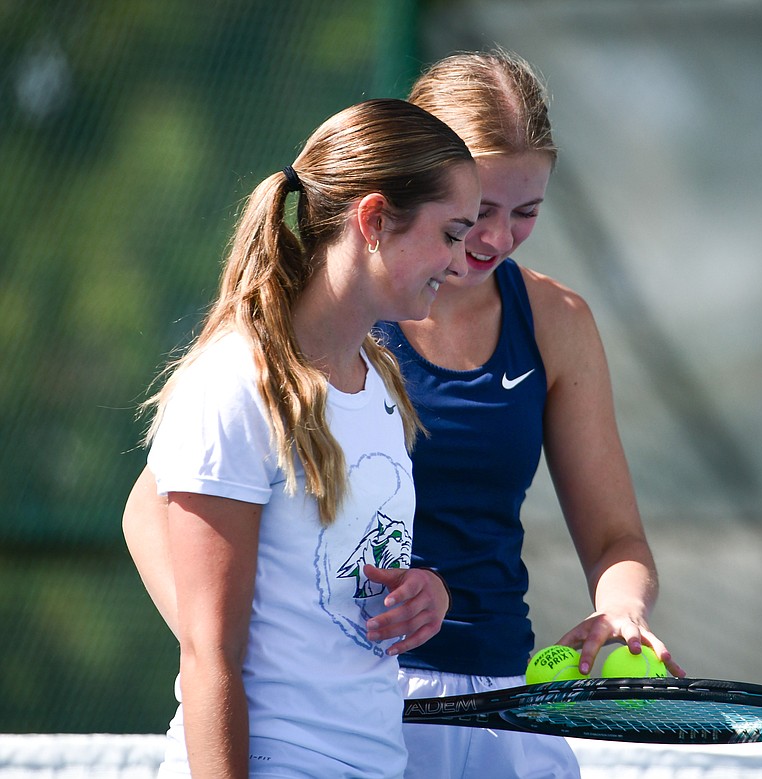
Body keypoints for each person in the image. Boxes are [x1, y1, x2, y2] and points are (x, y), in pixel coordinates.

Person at [124, 49, 683, 779]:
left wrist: (621, 607)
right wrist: (251, 653)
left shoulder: (537, 326)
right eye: (472, 215)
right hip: (358, 707)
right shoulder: (310, 337)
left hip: (479, 701)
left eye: (527, 212)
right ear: (395, 201)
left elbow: (617, 540)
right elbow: (154, 511)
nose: (493, 239)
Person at [134, 97, 479, 778]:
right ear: (375, 220)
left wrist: (425, 591)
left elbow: (337, 571)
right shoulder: (234, 383)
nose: (461, 257)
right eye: (450, 231)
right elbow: (209, 655)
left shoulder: (377, 381)